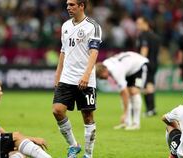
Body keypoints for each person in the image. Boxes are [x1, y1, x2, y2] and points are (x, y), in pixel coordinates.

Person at [52, 0, 102, 158]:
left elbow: (94, 52)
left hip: (85, 79)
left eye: (72, 4)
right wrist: (57, 75)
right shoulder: (65, 26)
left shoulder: (93, 26)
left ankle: (88, 154)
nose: (68, 7)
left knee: (87, 116)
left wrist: (87, 75)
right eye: (67, 4)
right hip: (67, 77)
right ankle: (74, 145)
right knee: (57, 110)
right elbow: (63, 52)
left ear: (82, 6)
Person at [96, 51, 148, 130]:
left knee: (134, 92)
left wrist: (124, 113)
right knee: (124, 94)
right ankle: (127, 123)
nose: (101, 79)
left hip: (140, 65)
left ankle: (136, 124)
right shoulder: (105, 64)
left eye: (100, 76)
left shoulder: (116, 71)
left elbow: (124, 92)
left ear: (104, 71)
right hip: (129, 69)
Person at [136, 16, 160, 117]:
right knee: (150, 85)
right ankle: (152, 109)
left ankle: (150, 109)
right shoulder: (155, 36)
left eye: (139, 23)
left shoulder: (144, 35)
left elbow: (144, 49)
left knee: (145, 87)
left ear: (145, 23)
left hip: (145, 64)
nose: (137, 26)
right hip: (154, 63)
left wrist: (139, 63)